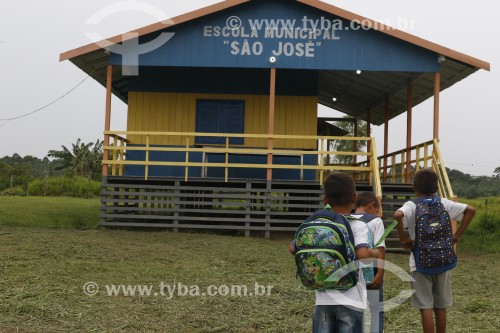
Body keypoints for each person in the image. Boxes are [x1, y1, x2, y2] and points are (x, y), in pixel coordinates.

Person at [291, 172, 380, 333]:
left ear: (325, 199)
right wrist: (375, 253)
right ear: (354, 198)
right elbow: (363, 256)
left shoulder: (317, 224)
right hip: (352, 301)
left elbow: (293, 248)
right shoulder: (358, 225)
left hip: (323, 302)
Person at [393, 168, 475, 333]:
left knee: (425, 307)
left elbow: (397, 215)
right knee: (441, 306)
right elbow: (470, 210)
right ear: (437, 188)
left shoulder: (411, 205)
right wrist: (457, 235)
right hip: (443, 259)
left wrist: (403, 239)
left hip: (419, 263)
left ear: (414, 188)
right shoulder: (444, 203)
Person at [352, 192, 386, 333]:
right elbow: (380, 249)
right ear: (372, 205)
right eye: (377, 210)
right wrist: (381, 273)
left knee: (354, 311)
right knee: (376, 311)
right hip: (370, 275)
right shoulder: (376, 221)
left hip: (350, 276)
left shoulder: (345, 219)